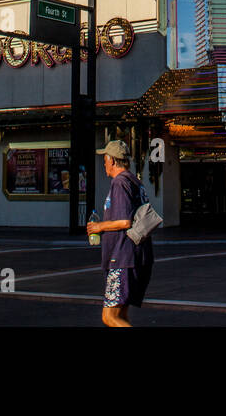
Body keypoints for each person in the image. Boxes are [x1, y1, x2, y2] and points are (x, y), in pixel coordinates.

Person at [85, 140, 154, 327]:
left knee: (109, 317)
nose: (104, 164)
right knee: (120, 315)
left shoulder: (120, 182)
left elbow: (125, 221)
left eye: (105, 159)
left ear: (112, 160)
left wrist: (100, 227)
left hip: (124, 257)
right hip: (137, 256)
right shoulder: (134, 181)